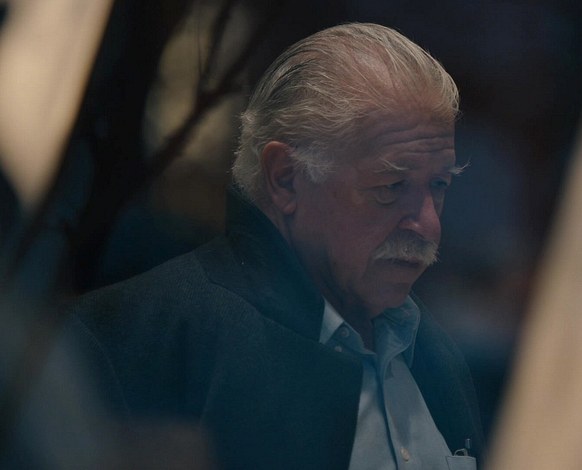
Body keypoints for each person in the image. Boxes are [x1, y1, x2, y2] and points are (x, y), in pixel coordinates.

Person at [70, 23, 483, 469]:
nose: (428, 226)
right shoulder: (138, 339)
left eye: (439, 185)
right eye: (391, 186)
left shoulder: (435, 353)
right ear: (286, 178)